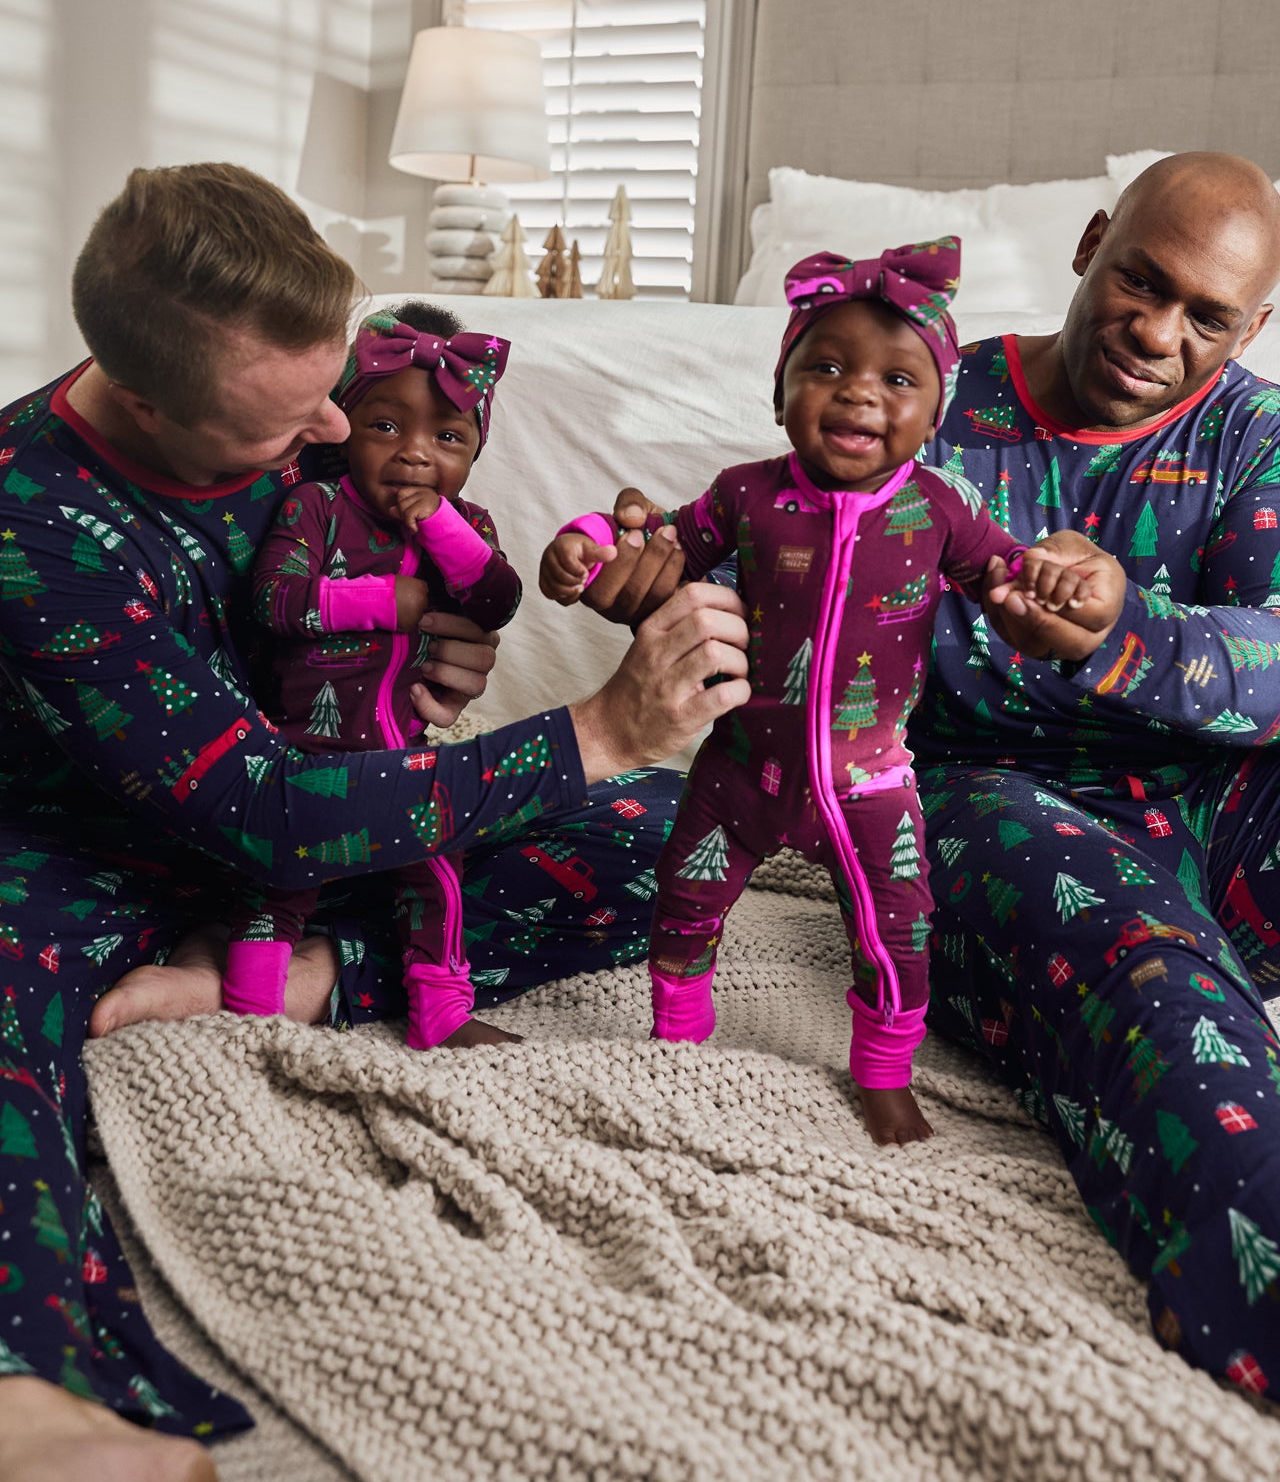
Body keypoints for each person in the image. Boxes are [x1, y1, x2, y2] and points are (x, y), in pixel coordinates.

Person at [0, 162, 750, 1482]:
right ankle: (23, 1381)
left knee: (666, 830)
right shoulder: (30, 518)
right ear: (149, 399)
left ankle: (314, 980)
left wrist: (440, 668)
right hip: (89, 850)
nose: (337, 443)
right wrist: (593, 727)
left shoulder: (323, 432)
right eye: (288, 436)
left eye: (329, 400)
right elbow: (268, 810)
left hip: (325, 830)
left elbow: (403, 622)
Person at [588, 152, 1280, 1397]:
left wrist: (1128, 627)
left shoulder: (1253, 441)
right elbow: (775, 559)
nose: (1154, 330)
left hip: (1209, 799)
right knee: (1147, 975)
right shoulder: (917, 391)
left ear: (1253, 326)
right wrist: (649, 570)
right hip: (971, 794)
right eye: (1138, 278)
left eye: (1206, 316)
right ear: (1085, 246)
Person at [542, 241, 1103, 1145]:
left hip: (868, 780)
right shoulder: (746, 495)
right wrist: (586, 545)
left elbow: (1009, 578)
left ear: (934, 416)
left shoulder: (941, 508)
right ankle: (677, 1041)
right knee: (684, 904)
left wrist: (1048, 583)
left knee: (899, 928)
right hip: (735, 769)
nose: (859, 392)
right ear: (781, 391)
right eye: (827, 366)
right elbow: (656, 543)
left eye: (897, 379)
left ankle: (884, 1073)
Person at [226, 301, 525, 1050]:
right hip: (306, 748)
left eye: (448, 437)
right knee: (280, 888)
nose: (417, 454)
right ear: (344, 424)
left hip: (411, 753)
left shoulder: (470, 525)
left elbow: (497, 598)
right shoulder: (317, 506)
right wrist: (391, 601)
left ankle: (442, 1013)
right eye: (386, 426)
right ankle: (245, 1021)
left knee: (438, 880)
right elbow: (275, 599)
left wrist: (440, 528)